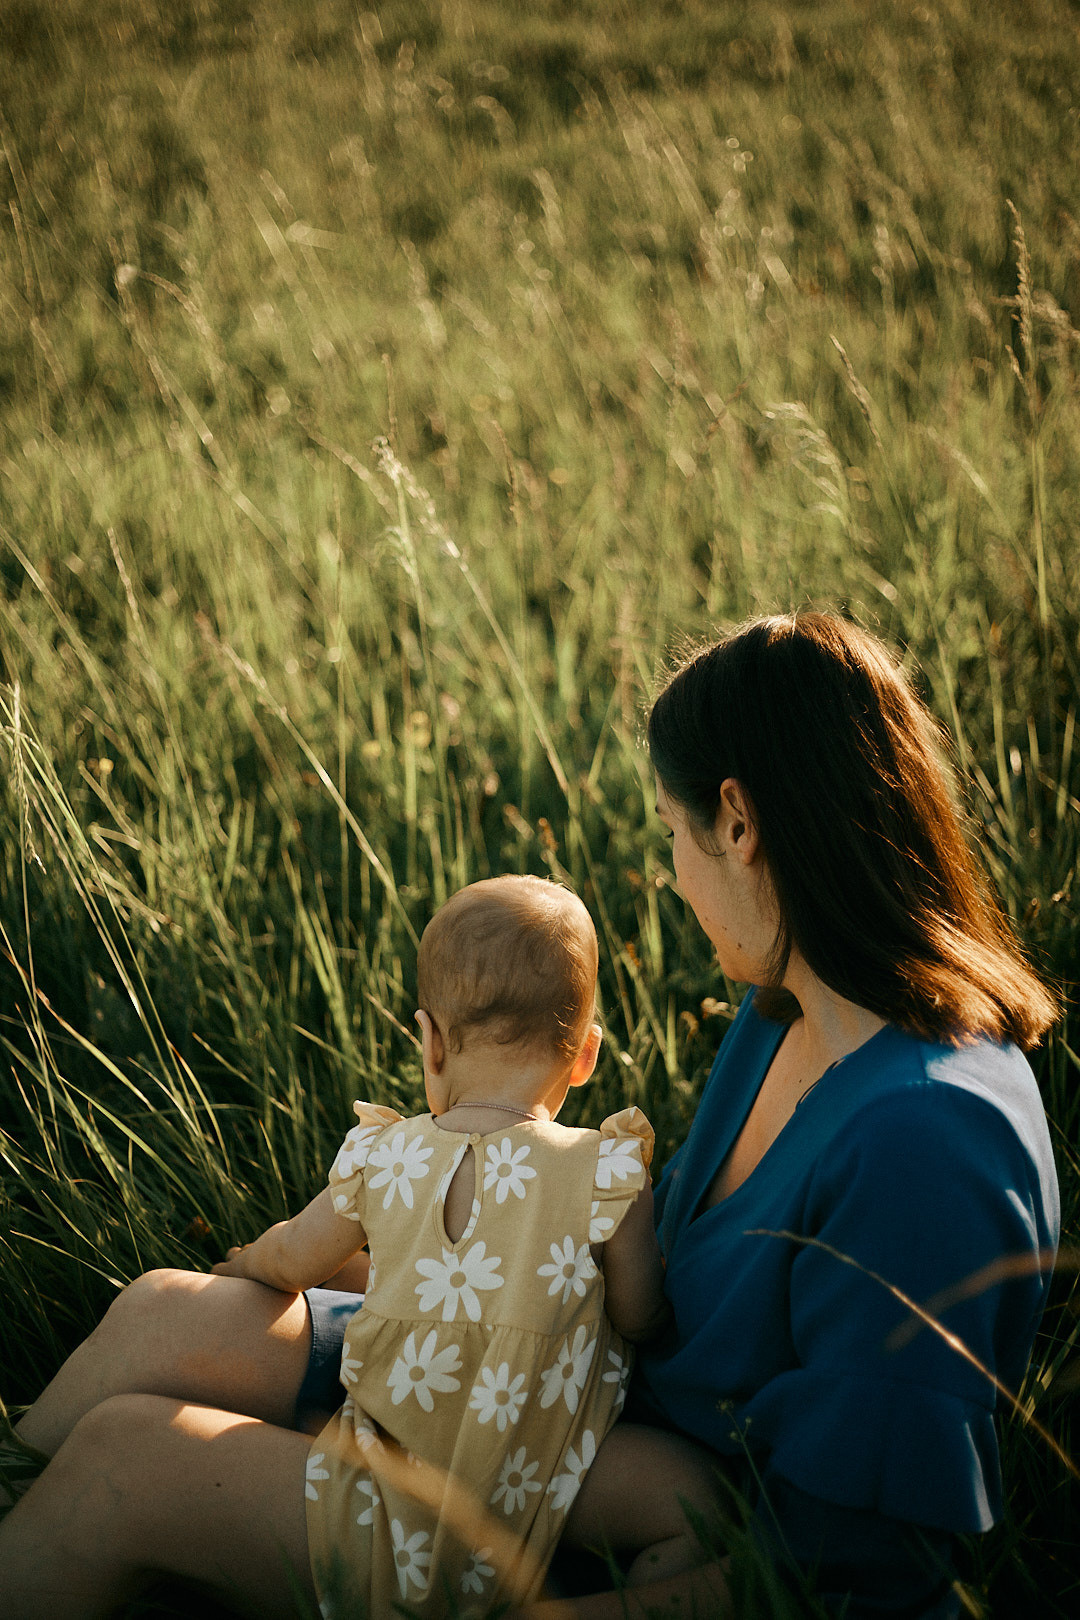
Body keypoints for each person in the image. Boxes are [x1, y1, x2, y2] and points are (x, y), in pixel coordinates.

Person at [1, 610, 1062, 1620]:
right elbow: (650, 1281)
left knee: (121, 1467)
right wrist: (426, 1248)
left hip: (636, 1502)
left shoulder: (927, 1143)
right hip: (561, 1387)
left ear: (738, 823)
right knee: (161, 1316)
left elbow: (859, 1579)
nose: (674, 877)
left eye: (672, 836)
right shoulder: (791, 1007)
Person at [0, 876, 718, 1616]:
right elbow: (637, 1316)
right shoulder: (609, 1173)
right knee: (692, 1498)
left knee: (119, 1443)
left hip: (381, 1523)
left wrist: (247, 1260)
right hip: (521, 1507)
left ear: (431, 1041)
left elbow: (292, 1262)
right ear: (586, 1056)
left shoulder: (387, 1157)